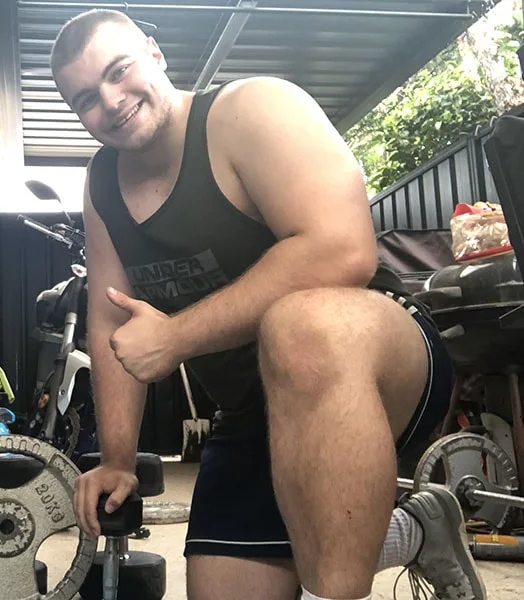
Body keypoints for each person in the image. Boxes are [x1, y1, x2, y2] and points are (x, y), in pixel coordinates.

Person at [48, 8, 486, 600]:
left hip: (372, 364)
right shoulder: (102, 185)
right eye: (85, 99)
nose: (110, 99)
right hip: (254, 416)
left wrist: (176, 337)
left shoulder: (249, 109)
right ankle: (416, 531)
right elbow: (111, 318)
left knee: (298, 324)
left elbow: (342, 250)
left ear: (154, 53)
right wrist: (119, 460)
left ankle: (341, 562)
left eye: (119, 70)